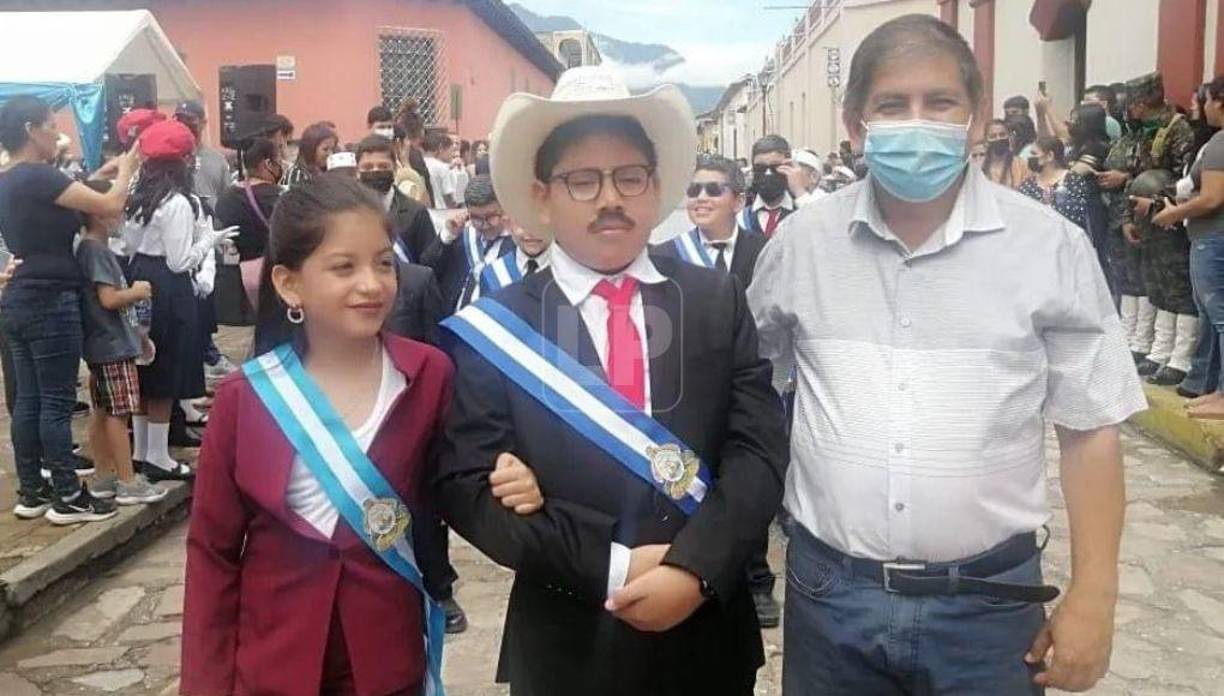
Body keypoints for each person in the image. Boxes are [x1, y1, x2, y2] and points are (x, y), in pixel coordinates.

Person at [747, 14, 1146, 694]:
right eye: (892, 106)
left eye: (939, 104)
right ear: (855, 125)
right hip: (831, 597)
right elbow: (749, 385)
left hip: (991, 607)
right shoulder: (799, 247)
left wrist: (1094, 596)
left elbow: (1091, 429)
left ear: (975, 115)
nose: (917, 122)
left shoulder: (1048, 248)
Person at [436, 64, 787, 695]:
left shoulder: (715, 300)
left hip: (708, 633)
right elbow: (467, 488)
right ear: (542, 195)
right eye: (582, 180)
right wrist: (612, 564)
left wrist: (695, 569)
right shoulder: (499, 327)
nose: (609, 198)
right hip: (567, 639)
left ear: (655, 189)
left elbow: (758, 449)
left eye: (630, 177)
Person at [181, 174, 539, 694]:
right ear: (288, 283)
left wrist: (511, 473)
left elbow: (464, 476)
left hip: (387, 659)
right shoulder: (244, 397)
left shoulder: (429, 374)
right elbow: (212, 554)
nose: (371, 284)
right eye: (343, 267)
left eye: (384, 262)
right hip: (275, 661)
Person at [0, 95, 135, 523]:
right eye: (50, 126)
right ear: (29, 130)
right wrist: (128, 169)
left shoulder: (9, 179)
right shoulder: (40, 177)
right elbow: (110, 205)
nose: (57, 135)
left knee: (28, 401)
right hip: (51, 299)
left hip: (20, 296)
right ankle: (68, 496)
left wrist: (100, 175)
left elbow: (65, 198)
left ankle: (33, 491)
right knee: (57, 403)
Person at [122, 120, 235, 483]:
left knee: (144, 367)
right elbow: (179, 261)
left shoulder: (137, 199)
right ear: (184, 161)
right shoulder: (178, 204)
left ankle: (141, 452)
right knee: (166, 368)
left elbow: (126, 245)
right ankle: (158, 457)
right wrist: (209, 241)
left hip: (137, 277)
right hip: (167, 287)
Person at [76, 180, 168, 506]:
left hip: (104, 343)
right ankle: (128, 481)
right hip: (112, 344)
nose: (122, 212)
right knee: (120, 412)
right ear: (99, 212)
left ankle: (105, 476)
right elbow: (109, 298)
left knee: (102, 411)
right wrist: (138, 292)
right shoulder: (96, 250)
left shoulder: (88, 248)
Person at [1150, 75, 1224, 416]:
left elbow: (1212, 198)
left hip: (1213, 239)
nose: (1202, 107)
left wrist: (1174, 214)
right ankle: (1215, 388)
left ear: (1220, 100)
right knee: (1212, 317)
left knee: (1220, 315)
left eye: (1206, 100)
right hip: (1208, 238)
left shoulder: (1221, 143)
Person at [1123, 73, 1198, 386]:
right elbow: (1133, 174)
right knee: (1156, 284)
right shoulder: (1142, 133)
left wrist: (1155, 202)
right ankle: (1158, 351)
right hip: (1145, 217)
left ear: (1141, 102)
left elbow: (1189, 179)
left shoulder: (1178, 129)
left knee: (1178, 286)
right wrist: (1129, 216)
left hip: (1171, 218)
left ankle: (1180, 359)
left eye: (1132, 103)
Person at [419, 175, 514, 313]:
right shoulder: (460, 235)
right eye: (476, 218)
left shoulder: (519, 243)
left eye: (491, 217)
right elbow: (427, 268)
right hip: (453, 321)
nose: (484, 225)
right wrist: (447, 236)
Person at [214, 137, 282, 315]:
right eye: (279, 158)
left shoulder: (226, 198)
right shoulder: (280, 197)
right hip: (275, 275)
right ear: (268, 163)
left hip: (237, 285)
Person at [355, 135, 439, 262]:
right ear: (357, 171)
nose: (375, 171)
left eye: (383, 166)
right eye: (368, 167)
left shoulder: (415, 212)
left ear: (395, 169)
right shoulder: (347, 212)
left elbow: (429, 263)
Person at [1018, 137, 1093, 231]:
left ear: (1050, 156)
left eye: (1034, 153)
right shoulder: (1027, 185)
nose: (1030, 157)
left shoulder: (1073, 180)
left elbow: (1077, 215)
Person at [174, 101, 231, 213]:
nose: (185, 125)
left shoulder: (217, 160)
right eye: (181, 120)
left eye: (190, 120)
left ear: (203, 123)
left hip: (210, 224)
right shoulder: (170, 158)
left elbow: (226, 199)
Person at [743, 135, 801, 237]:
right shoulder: (740, 215)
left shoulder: (802, 209)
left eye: (775, 167)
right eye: (761, 168)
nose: (768, 174)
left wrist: (799, 191)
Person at [478, 220, 553, 296]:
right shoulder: (492, 275)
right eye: (523, 224)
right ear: (508, 224)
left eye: (540, 225)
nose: (531, 233)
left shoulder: (562, 271)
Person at [282, 121, 337, 188]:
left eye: (332, 149)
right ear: (310, 148)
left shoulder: (328, 172)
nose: (330, 154)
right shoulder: (298, 174)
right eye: (325, 149)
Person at [982, 119, 1028, 188]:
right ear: (986, 141)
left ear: (1009, 137)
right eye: (993, 136)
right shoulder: (980, 166)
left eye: (1002, 134)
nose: (998, 138)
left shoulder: (1021, 165)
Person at [422, 131, 458, 210]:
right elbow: (447, 195)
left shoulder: (419, 163)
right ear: (440, 148)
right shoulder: (442, 167)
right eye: (451, 151)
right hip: (440, 210)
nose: (452, 155)